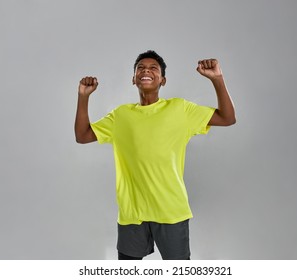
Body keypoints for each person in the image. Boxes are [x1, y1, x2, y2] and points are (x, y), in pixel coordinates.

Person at [74, 50, 236, 260]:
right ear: (134, 79)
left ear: (163, 80)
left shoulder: (180, 109)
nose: (146, 71)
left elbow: (227, 118)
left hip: (170, 211)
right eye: (140, 68)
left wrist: (217, 79)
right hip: (132, 214)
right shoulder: (121, 116)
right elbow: (83, 135)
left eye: (153, 68)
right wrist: (83, 97)